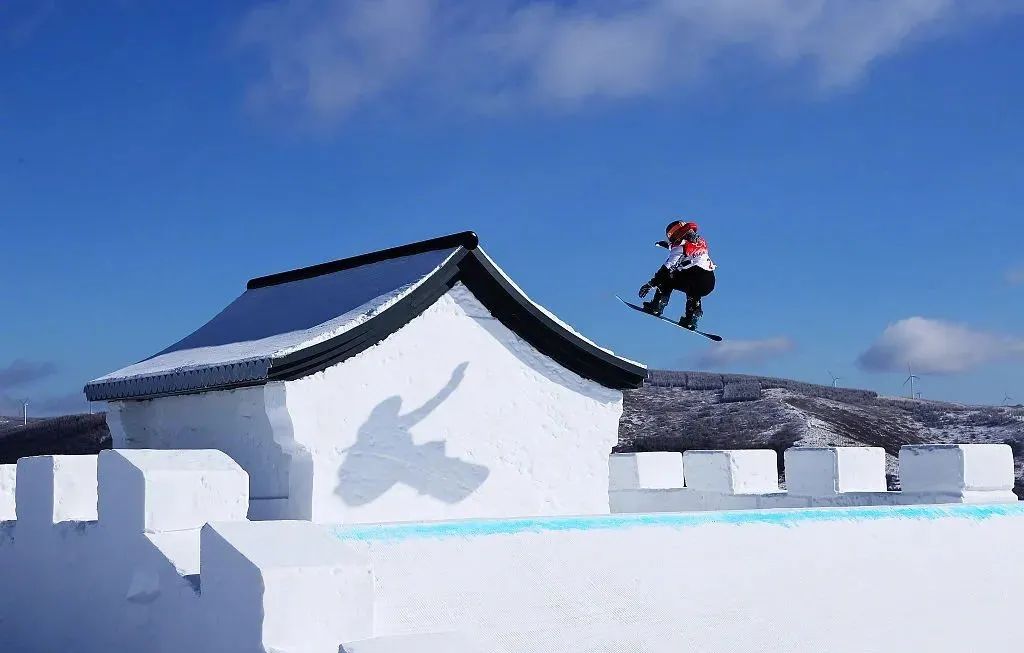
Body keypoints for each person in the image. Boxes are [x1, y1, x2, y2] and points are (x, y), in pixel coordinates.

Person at [638, 220, 717, 329]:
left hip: (694, 279)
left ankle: (657, 305)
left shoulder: (679, 247)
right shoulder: (701, 241)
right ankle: (692, 317)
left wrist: (650, 284)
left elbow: (667, 268)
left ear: (676, 235)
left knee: (667, 277)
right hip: (709, 282)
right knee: (693, 290)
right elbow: (688, 246)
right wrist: (668, 246)